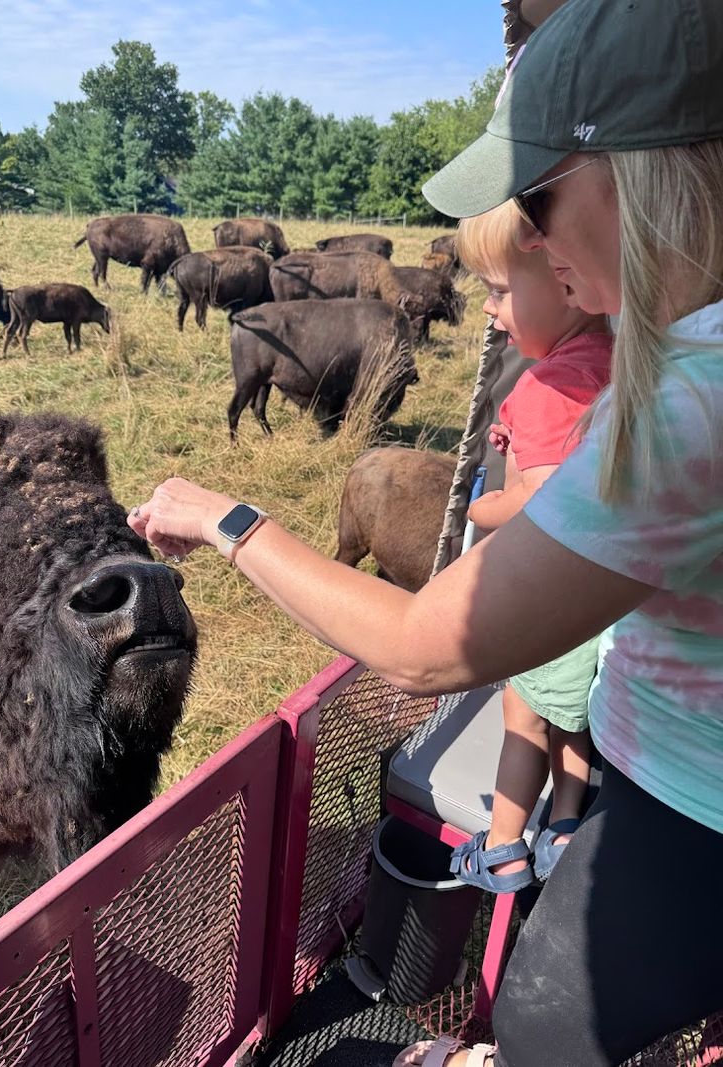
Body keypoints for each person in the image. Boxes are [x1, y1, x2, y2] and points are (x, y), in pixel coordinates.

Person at [128, 0, 723, 1062]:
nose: (530, 240)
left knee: (540, 1019)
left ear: (647, 176)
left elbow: (421, 646)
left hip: (692, 801)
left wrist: (226, 517)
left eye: (536, 195)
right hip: (656, 767)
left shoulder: (690, 400)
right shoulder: (675, 365)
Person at [444, 201, 612, 894]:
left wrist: (485, 503)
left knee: (523, 714)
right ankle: (566, 823)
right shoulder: (617, 353)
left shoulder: (548, 385)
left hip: (552, 594)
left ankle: (506, 843)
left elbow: (544, 497)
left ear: (565, 278)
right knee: (570, 717)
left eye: (500, 290)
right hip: (605, 597)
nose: (489, 310)